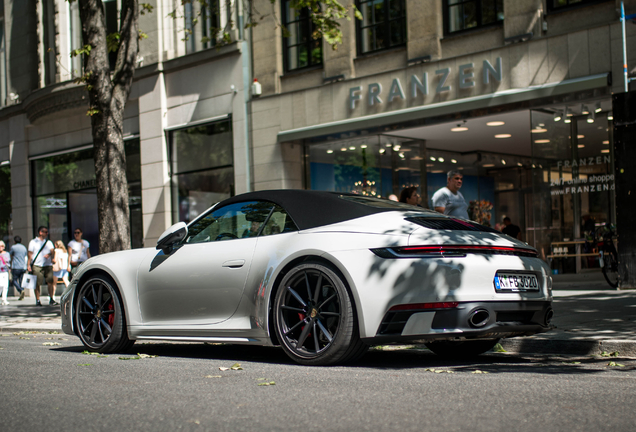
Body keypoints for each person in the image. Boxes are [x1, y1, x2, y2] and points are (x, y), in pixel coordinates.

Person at [28, 226, 56, 307]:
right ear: (40, 232)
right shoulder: (33, 242)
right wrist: (28, 265)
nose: (47, 233)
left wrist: (50, 255)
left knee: (50, 282)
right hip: (37, 265)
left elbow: (52, 251)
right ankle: (37, 300)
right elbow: (30, 254)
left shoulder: (49, 242)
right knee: (37, 283)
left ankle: (51, 298)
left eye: (47, 232)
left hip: (48, 265)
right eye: (45, 232)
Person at [10, 236, 28, 301]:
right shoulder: (24, 247)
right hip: (23, 266)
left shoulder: (13, 247)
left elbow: (10, 255)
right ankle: (21, 293)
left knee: (14, 280)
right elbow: (26, 256)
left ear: (14, 241)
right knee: (21, 281)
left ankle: (20, 290)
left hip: (16, 266)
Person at [0, 240, 11, 306]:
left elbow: (8, 262)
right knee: (1, 285)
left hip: (5, 271)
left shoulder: (7, 254)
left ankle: (4, 299)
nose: (0, 247)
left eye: (1, 246)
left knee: (6, 286)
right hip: (0, 271)